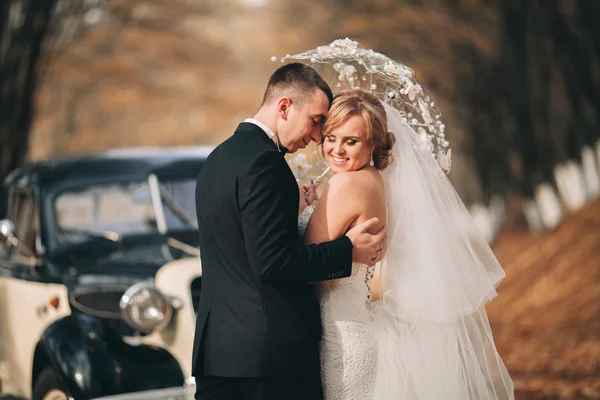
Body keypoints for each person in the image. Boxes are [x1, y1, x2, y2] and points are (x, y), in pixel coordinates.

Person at [299, 89, 514, 399]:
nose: (337, 149)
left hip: (339, 339)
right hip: (357, 327)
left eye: (351, 141)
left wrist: (303, 212)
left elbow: (306, 261)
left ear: (373, 143)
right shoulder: (374, 179)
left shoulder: (346, 182)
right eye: (331, 137)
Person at [192, 63, 387, 400]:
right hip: (269, 363)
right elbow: (273, 263)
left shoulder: (217, 158)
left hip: (217, 355)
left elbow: (242, 248)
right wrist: (347, 250)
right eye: (316, 122)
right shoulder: (266, 163)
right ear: (284, 106)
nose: (315, 137)